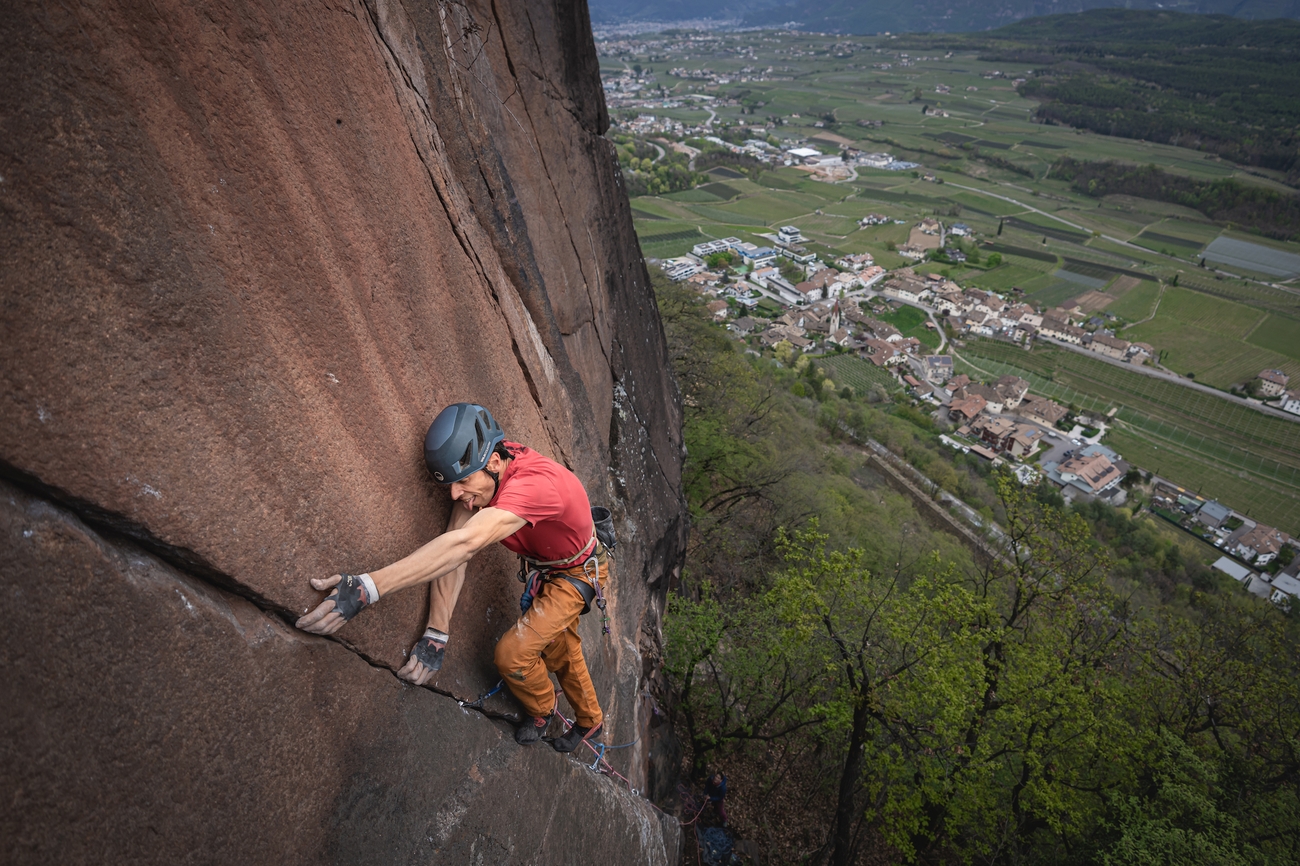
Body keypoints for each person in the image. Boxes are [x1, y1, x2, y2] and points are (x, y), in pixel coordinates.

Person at [294, 402, 610, 751]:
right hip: (552, 568)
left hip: (576, 572)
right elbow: (453, 556)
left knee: (513, 654)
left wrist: (368, 588)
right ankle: (590, 720)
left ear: (492, 462)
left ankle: (543, 709)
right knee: (559, 647)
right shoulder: (487, 472)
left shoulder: (535, 486)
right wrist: (436, 633)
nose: (456, 495)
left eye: (462, 482)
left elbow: (463, 544)